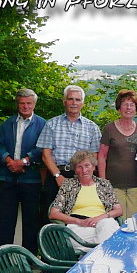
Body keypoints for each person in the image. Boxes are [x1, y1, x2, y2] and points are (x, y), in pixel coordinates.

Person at [36, 85, 101, 225]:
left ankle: (76, 246)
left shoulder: (92, 127)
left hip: (82, 177)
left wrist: (84, 177)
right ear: (64, 101)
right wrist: (58, 176)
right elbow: (45, 155)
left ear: (83, 103)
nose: (74, 103)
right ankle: (50, 246)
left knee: (80, 215)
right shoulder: (52, 124)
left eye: (78, 99)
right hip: (56, 176)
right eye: (70, 99)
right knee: (51, 217)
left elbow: (94, 156)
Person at [0, 88, 46, 254]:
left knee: (31, 221)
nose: (25, 106)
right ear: (17, 104)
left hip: (31, 179)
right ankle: (3, 257)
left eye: (28, 103)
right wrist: (9, 160)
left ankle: (29, 257)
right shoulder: (7, 124)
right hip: (7, 179)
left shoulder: (43, 124)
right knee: (5, 220)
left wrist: (24, 161)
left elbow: (43, 148)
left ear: (34, 104)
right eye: (22, 103)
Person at [49, 151, 122, 248]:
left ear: (93, 166)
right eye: (79, 167)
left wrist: (99, 218)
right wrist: (79, 222)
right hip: (78, 227)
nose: (84, 170)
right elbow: (53, 213)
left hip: (103, 223)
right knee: (110, 239)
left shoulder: (104, 184)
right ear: (75, 170)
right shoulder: (68, 185)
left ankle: (90, 254)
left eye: (87, 165)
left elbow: (118, 210)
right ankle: (102, 253)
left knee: (108, 224)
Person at [98, 90, 137, 220]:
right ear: (119, 108)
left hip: (135, 184)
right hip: (113, 184)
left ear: (136, 109)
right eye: (124, 104)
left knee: (134, 221)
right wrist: (103, 182)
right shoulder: (109, 129)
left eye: (132, 104)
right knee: (118, 223)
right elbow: (102, 156)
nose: (128, 107)